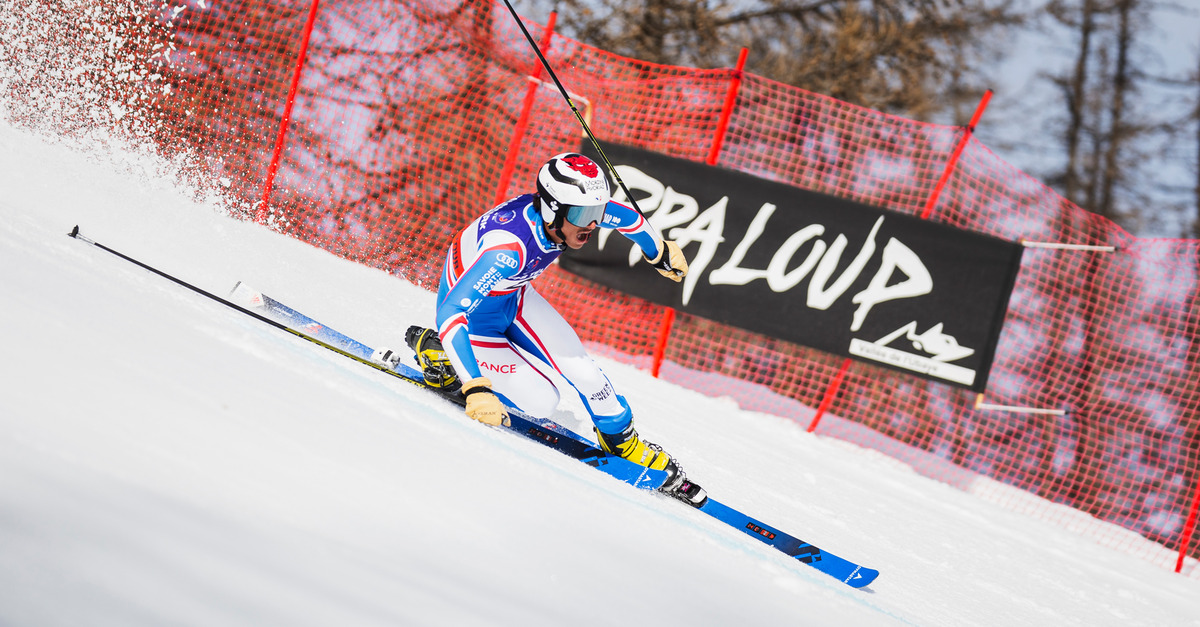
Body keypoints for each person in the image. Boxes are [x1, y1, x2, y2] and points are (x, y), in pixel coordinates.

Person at [404, 152, 693, 495]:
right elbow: (452, 313)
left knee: (587, 374)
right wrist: (477, 389)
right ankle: (445, 357)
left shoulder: (569, 215)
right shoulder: (507, 250)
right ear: (553, 209)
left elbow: (628, 219)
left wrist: (657, 251)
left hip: (513, 299)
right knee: (542, 403)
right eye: (585, 214)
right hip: (475, 322)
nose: (593, 224)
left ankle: (624, 444)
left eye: (596, 213)